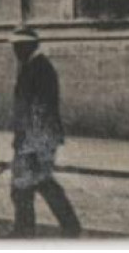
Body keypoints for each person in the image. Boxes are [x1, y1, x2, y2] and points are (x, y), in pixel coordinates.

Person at [8, 26, 82, 238]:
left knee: (29, 184)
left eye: (18, 46)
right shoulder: (33, 66)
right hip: (35, 136)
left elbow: (40, 108)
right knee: (37, 183)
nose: (15, 51)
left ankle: (26, 230)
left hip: (38, 137)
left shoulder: (39, 68)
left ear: (28, 46)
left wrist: (28, 141)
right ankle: (67, 226)